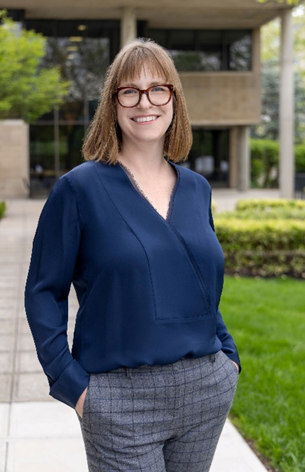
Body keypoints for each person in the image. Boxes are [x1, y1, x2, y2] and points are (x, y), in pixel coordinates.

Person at [25, 38, 241, 472]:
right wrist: (74, 386)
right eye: (130, 91)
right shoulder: (78, 189)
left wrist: (228, 359)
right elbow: (44, 291)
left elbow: (201, 286)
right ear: (113, 103)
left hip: (205, 388)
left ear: (174, 99)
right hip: (118, 399)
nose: (146, 102)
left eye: (158, 89)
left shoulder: (197, 189)